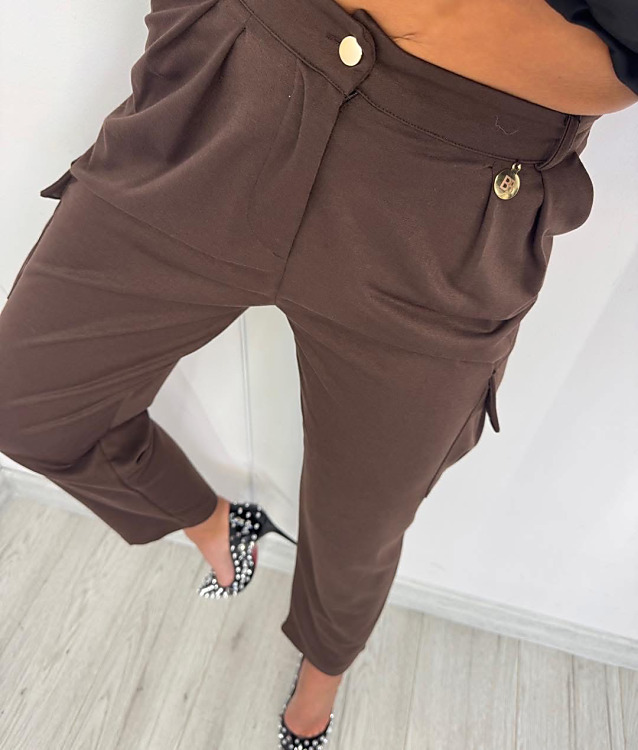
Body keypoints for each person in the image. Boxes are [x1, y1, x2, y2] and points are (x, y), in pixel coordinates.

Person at [0, 0, 636, 746]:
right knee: (27, 403)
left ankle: (322, 674)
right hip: (238, 86)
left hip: (456, 195)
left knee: (360, 521)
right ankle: (214, 521)